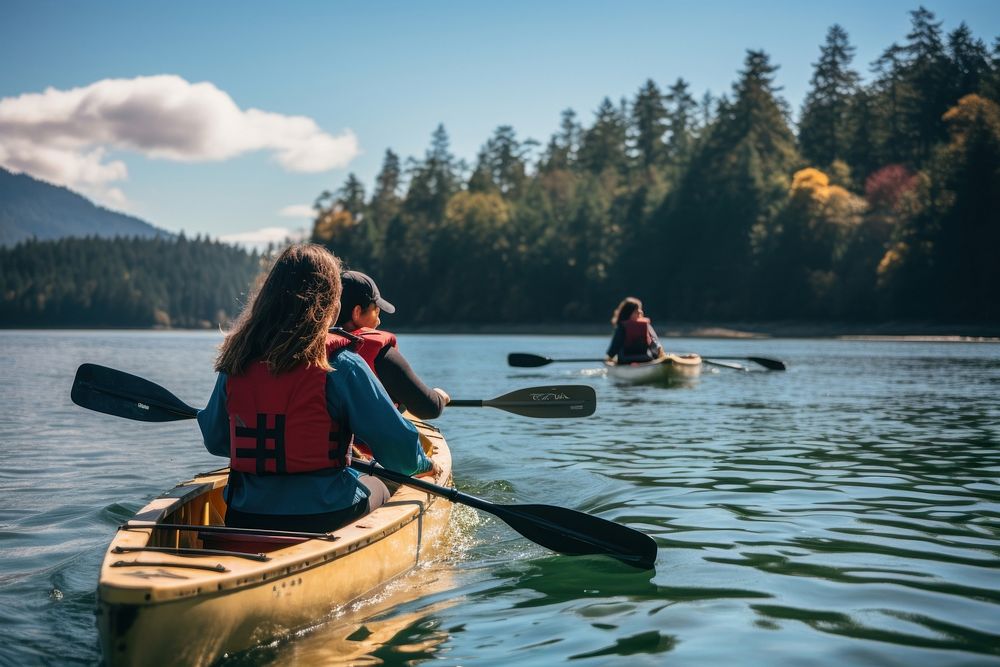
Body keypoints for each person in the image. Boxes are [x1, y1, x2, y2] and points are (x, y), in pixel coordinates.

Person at [197, 244, 439, 533]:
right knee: (383, 486)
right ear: (330, 303)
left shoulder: (237, 360)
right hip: (323, 515)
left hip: (245, 514)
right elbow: (398, 452)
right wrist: (424, 463)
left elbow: (217, 440)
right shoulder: (339, 363)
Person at [334, 270, 450, 419]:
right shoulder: (380, 355)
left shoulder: (307, 347)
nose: (379, 321)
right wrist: (440, 397)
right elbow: (428, 408)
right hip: (360, 441)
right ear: (357, 312)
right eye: (376, 311)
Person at [605, 296, 664, 364]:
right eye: (636, 311)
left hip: (626, 361)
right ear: (628, 313)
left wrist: (609, 359)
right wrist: (657, 358)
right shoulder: (625, 327)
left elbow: (613, 349)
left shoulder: (623, 327)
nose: (639, 313)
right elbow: (656, 347)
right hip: (645, 359)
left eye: (639, 311)